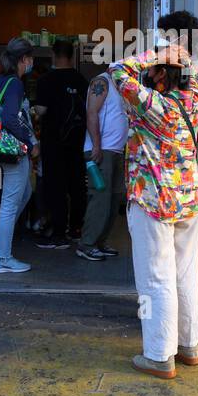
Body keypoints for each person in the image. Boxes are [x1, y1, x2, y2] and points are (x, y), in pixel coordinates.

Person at [109, 44, 198, 379]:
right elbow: (191, 73)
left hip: (153, 200)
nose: (146, 74)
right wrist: (180, 55)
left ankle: (159, 355)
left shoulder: (151, 104)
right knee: (185, 272)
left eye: (152, 71)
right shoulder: (194, 100)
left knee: (155, 277)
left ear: (162, 73)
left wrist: (153, 54)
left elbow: (117, 70)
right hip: (190, 200)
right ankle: (188, 345)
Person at [158, 11, 198, 315]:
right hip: (195, 167)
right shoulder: (191, 71)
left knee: (191, 239)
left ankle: (194, 299)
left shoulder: (190, 75)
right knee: (189, 237)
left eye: (165, 37)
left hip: (193, 167)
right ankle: (194, 299)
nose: (160, 44)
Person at [33, 38, 89, 253]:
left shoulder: (46, 80)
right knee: (77, 186)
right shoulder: (82, 80)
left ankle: (58, 233)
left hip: (54, 141)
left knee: (55, 187)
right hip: (78, 141)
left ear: (54, 55)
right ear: (72, 56)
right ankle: (76, 229)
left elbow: (41, 110)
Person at [0, 37, 38, 273]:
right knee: (10, 203)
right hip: (14, 150)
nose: (32, 63)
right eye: (30, 59)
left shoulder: (1, 81)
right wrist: (29, 142)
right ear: (23, 60)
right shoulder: (15, 84)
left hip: (3, 148)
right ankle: (2, 258)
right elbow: (9, 119)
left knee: (24, 192)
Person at [76, 58, 129, 261]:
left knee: (114, 198)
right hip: (102, 150)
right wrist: (96, 145)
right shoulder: (101, 82)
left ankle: (100, 241)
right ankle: (87, 244)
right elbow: (92, 113)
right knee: (100, 198)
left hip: (116, 151)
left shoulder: (121, 86)